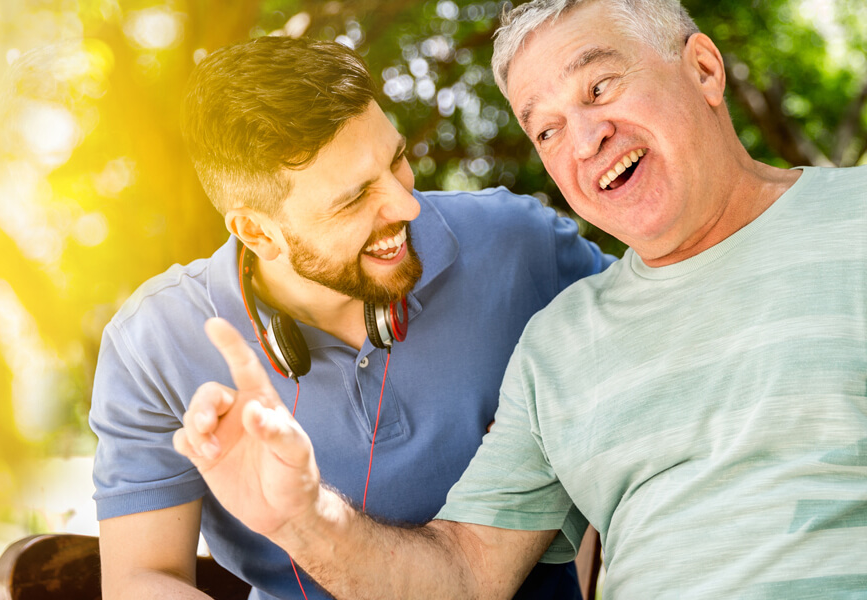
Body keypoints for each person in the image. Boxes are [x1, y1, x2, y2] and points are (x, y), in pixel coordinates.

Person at [171, 0, 867, 597]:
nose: (587, 139)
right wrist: (300, 518)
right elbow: (467, 576)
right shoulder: (558, 344)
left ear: (705, 70)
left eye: (599, 88)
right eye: (548, 129)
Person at [90, 36, 611, 600]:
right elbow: (143, 577)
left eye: (396, 160)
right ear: (258, 232)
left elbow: (666, 317)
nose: (406, 206)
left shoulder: (518, 245)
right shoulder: (151, 344)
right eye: (353, 199)